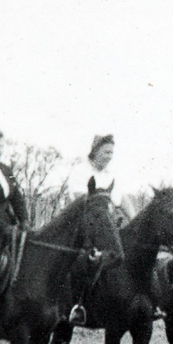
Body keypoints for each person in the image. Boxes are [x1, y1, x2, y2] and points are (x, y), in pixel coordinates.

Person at [68, 134, 115, 326]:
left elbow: (121, 200)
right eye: (106, 152)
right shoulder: (81, 172)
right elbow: (81, 201)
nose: (109, 156)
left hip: (106, 226)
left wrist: (132, 217)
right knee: (87, 259)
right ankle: (78, 306)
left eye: (112, 152)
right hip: (84, 227)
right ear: (95, 151)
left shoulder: (110, 175)